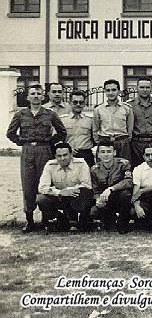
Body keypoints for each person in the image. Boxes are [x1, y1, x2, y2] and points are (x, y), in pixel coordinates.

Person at [6, 84, 67, 232]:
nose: (35, 96)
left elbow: (62, 132)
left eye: (38, 94)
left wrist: (49, 143)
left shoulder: (50, 114)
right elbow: (10, 133)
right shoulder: (21, 114)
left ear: (43, 96)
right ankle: (30, 220)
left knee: (44, 183)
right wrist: (22, 142)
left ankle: (46, 219)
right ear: (28, 97)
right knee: (28, 185)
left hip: (44, 151)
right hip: (27, 151)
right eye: (32, 94)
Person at [36, 142, 93, 231]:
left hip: (75, 196)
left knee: (85, 192)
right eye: (59, 156)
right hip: (59, 197)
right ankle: (60, 218)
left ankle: (82, 220)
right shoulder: (50, 165)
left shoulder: (81, 163)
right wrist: (60, 192)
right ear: (55, 156)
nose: (62, 158)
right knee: (41, 199)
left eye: (65, 155)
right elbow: (42, 188)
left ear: (71, 154)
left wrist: (69, 190)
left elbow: (87, 185)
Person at [89, 140, 132, 233]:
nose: (106, 155)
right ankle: (110, 220)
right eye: (103, 152)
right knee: (93, 212)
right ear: (98, 154)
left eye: (109, 151)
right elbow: (95, 190)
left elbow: (128, 181)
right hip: (106, 200)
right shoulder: (94, 169)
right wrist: (98, 200)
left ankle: (123, 223)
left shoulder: (123, 164)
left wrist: (111, 189)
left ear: (114, 152)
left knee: (126, 194)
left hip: (120, 198)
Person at [92, 79, 133, 161]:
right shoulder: (98, 109)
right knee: (104, 166)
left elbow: (130, 128)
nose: (111, 93)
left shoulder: (127, 108)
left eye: (114, 90)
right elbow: (95, 129)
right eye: (108, 90)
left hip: (122, 142)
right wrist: (100, 142)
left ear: (119, 91)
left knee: (124, 165)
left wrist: (125, 140)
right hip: (105, 142)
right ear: (105, 92)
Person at [60, 90, 95, 167]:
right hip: (68, 154)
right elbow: (58, 139)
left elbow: (95, 139)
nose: (78, 104)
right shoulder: (62, 120)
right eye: (75, 102)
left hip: (85, 155)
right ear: (70, 103)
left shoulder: (90, 120)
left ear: (84, 104)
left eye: (81, 102)